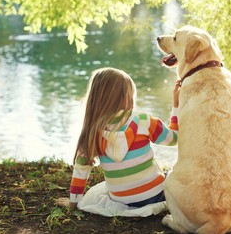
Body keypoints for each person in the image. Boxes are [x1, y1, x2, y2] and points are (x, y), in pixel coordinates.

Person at [66, 67, 179, 209]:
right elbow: (174, 138)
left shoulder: (92, 132)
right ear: (127, 97)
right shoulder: (143, 121)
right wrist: (177, 105)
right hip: (156, 195)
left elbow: (80, 171)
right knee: (174, 174)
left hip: (121, 201)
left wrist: (73, 203)